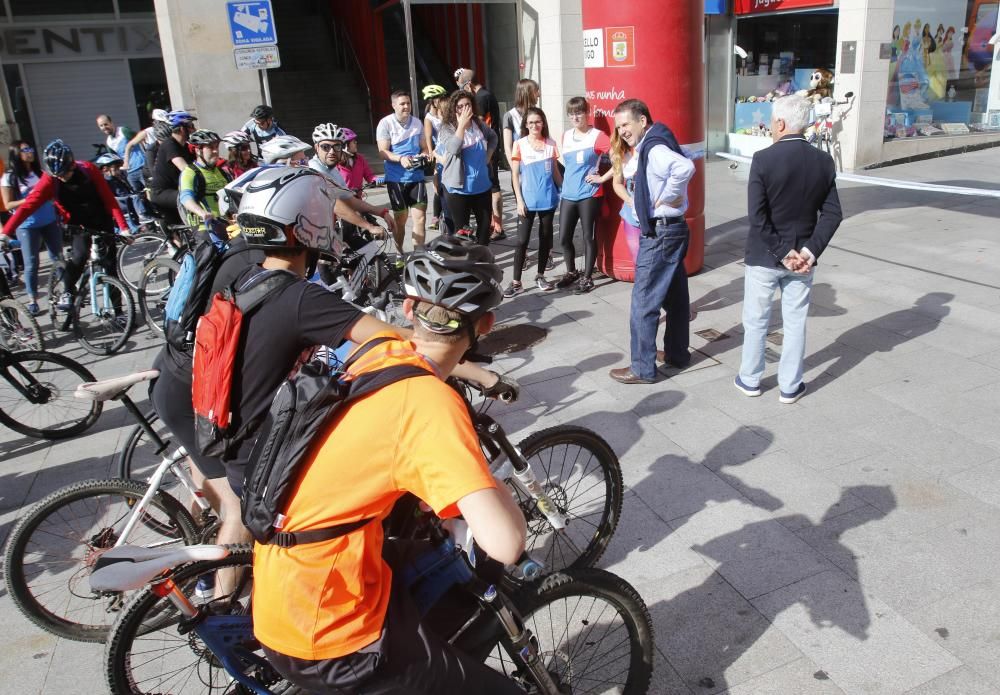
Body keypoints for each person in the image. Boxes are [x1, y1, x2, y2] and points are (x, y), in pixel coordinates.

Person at [253, 236, 527, 694]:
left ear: (407, 309)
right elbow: (506, 544)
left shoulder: (375, 351)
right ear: (487, 324)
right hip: (332, 629)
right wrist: (497, 492)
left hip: (284, 587)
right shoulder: (428, 404)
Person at [200, 167, 516, 497]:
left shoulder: (252, 278)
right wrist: (483, 376)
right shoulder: (300, 299)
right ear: (308, 226)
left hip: (240, 443)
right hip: (267, 461)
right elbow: (410, 339)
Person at [735, 94, 843, 404]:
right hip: (803, 260)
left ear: (781, 123)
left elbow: (757, 217)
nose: (770, 127)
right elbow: (834, 213)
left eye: (771, 121)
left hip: (764, 256)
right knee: (795, 323)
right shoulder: (823, 161)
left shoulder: (763, 159)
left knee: (756, 320)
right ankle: (790, 386)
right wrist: (807, 252)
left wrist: (783, 252)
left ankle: (750, 379)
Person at [607, 99, 695, 385]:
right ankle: (677, 354)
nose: (622, 132)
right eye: (618, 127)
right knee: (676, 297)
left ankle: (642, 367)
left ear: (642, 120)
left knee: (643, 302)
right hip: (671, 229)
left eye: (625, 125)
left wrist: (665, 197)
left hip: (660, 233)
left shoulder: (654, 147)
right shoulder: (654, 142)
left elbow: (684, 168)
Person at [2, 139, 128, 309]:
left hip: (100, 219)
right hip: (77, 224)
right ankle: (67, 291)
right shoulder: (50, 179)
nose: (61, 178)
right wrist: (6, 232)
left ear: (72, 165)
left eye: (64, 174)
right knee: (79, 256)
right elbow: (27, 206)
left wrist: (124, 227)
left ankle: (118, 312)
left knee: (110, 267)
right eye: (57, 176)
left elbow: (109, 200)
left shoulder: (88, 170)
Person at [557, 97, 612, 294]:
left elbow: (619, 158)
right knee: (564, 238)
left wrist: (602, 178)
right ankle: (572, 272)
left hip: (590, 193)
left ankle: (587, 278)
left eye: (579, 112)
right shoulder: (565, 136)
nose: (575, 116)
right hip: (569, 193)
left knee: (588, 236)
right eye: (571, 113)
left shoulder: (598, 135)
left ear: (587, 113)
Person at [0, 140, 62, 315]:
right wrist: (30, 199)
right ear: (16, 154)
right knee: (31, 263)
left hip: (49, 220)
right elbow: (8, 204)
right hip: (27, 225)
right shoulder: (10, 176)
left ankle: (66, 291)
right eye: (25, 150)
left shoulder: (39, 172)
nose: (30, 152)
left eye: (30, 148)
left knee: (58, 257)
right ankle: (32, 299)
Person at [505, 107, 561, 298]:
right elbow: (514, 174)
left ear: (543, 123)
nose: (534, 125)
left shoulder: (551, 144)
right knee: (521, 241)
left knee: (546, 238)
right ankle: (516, 282)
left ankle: (540, 275)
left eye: (537, 121)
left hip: (548, 199)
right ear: (525, 125)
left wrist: (563, 191)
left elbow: (555, 172)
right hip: (526, 201)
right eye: (530, 122)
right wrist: (518, 200)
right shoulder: (519, 144)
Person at [308, 123, 396, 241]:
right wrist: (369, 226)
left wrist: (381, 212)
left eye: (337, 146)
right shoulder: (315, 171)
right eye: (325, 147)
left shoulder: (332, 170)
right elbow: (336, 205)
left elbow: (349, 200)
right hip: (312, 234)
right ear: (316, 148)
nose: (332, 151)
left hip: (329, 229)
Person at [437, 89, 497, 245]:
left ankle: (481, 260)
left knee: (484, 227)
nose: (465, 109)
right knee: (462, 231)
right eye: (460, 106)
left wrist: (488, 155)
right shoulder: (446, 128)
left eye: (468, 105)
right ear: (453, 108)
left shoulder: (478, 124)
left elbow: (493, 137)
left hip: (481, 186)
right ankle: (463, 263)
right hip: (458, 189)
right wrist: (461, 126)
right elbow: (453, 148)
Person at [377, 90, 429, 250]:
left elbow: (425, 148)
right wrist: (400, 158)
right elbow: (382, 151)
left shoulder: (417, 123)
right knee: (401, 219)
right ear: (393, 105)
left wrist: (424, 155)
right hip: (396, 180)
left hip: (417, 177)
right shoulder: (385, 123)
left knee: (420, 219)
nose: (406, 106)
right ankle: (400, 252)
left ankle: (418, 256)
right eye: (402, 104)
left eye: (408, 103)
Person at [455, 68, 503, 238]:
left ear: (468, 86)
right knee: (494, 186)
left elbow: (482, 127)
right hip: (488, 150)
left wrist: (486, 156)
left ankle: (496, 226)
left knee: (493, 187)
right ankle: (497, 225)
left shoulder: (480, 98)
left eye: (461, 88)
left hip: (483, 152)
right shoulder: (487, 94)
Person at [501, 79, 540, 242]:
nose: (538, 94)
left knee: (544, 213)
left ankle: (548, 252)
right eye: (536, 91)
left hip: (538, 171)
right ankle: (522, 253)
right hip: (522, 173)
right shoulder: (510, 116)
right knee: (523, 213)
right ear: (528, 93)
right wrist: (515, 172)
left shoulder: (537, 113)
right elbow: (508, 147)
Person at [96, 113, 150, 219]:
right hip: (129, 173)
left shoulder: (123, 131)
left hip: (141, 166)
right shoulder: (109, 142)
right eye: (101, 126)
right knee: (139, 198)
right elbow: (114, 159)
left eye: (106, 124)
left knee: (150, 193)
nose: (104, 127)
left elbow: (140, 137)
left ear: (111, 123)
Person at [148, 110, 196, 223]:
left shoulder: (184, 146)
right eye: (191, 126)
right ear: (181, 128)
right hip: (161, 193)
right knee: (192, 198)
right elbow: (185, 168)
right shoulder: (169, 144)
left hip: (175, 190)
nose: (194, 129)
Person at [178, 129, 231, 230]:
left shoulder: (222, 172)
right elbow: (185, 198)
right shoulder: (189, 173)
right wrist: (202, 213)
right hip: (205, 227)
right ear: (198, 150)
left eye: (216, 147)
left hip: (227, 225)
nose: (215, 151)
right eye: (211, 147)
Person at [422, 84, 448, 231]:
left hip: (450, 147)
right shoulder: (429, 117)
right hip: (438, 150)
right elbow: (427, 137)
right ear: (432, 100)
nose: (442, 100)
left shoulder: (445, 111)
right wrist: (431, 153)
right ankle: (436, 216)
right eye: (439, 98)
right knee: (437, 183)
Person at [95, 152, 141, 232]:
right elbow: (118, 196)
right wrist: (133, 196)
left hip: (127, 202)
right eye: (116, 167)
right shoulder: (108, 181)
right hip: (122, 204)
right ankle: (142, 216)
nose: (118, 170)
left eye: (119, 167)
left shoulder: (116, 179)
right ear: (105, 169)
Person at [335, 126, 377, 193]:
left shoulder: (360, 158)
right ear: (344, 145)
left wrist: (375, 180)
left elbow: (369, 175)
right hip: (343, 201)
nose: (356, 143)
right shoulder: (334, 163)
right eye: (353, 141)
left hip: (358, 198)